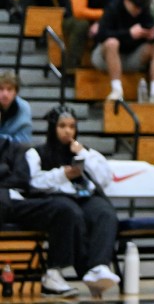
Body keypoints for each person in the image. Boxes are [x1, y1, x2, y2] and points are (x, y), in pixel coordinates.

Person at [25, 106, 122, 296]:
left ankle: (99, 266)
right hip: (56, 198)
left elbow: (104, 178)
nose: (68, 131)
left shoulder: (85, 151)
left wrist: (85, 154)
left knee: (105, 212)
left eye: (72, 126)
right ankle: (71, 269)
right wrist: (63, 175)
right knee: (71, 213)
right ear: (53, 128)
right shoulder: (37, 153)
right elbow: (33, 182)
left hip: (84, 196)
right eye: (62, 126)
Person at [90, 0, 154, 104]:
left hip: (132, 57)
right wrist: (129, 34)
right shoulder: (113, 6)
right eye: (136, 7)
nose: (138, 10)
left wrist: (151, 35)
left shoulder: (143, 9)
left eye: (141, 8)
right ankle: (116, 90)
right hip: (106, 58)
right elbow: (100, 35)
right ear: (127, 0)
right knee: (112, 42)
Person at [0, 70, 32, 144]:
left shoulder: (24, 107)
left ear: (16, 92)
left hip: (13, 153)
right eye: (1, 89)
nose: (5, 94)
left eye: (9, 89)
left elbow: (24, 140)